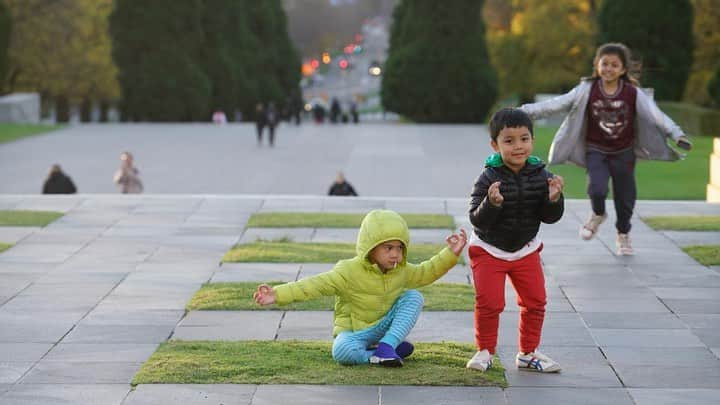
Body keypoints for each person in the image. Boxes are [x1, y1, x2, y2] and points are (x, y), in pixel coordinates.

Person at [519, 43, 692, 256]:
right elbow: (556, 104)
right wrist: (523, 112)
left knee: (625, 197)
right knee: (597, 189)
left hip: (623, 151)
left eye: (614, 65)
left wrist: (677, 134)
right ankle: (598, 214)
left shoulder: (632, 93)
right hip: (596, 150)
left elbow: (657, 116)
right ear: (597, 65)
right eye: (605, 64)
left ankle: (623, 234)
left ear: (623, 70)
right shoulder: (587, 89)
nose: (609, 68)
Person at [254, 209, 467, 367]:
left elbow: (426, 272)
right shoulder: (348, 271)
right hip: (356, 332)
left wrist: (451, 253)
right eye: (388, 248)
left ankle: (387, 346)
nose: (396, 254)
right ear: (370, 249)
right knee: (341, 351)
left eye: (400, 248)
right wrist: (277, 294)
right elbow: (313, 285)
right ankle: (375, 355)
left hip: (382, 327)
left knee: (414, 297)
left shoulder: (401, 270)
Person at [466, 108, 565, 374]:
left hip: (525, 250)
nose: (518, 146)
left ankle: (528, 353)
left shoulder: (542, 175)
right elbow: (477, 219)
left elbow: (550, 217)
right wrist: (492, 203)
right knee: (490, 303)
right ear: (495, 145)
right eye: (509, 141)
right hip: (488, 250)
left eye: (524, 139)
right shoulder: (487, 178)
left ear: (532, 140)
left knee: (536, 301)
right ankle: (485, 351)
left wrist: (554, 199)